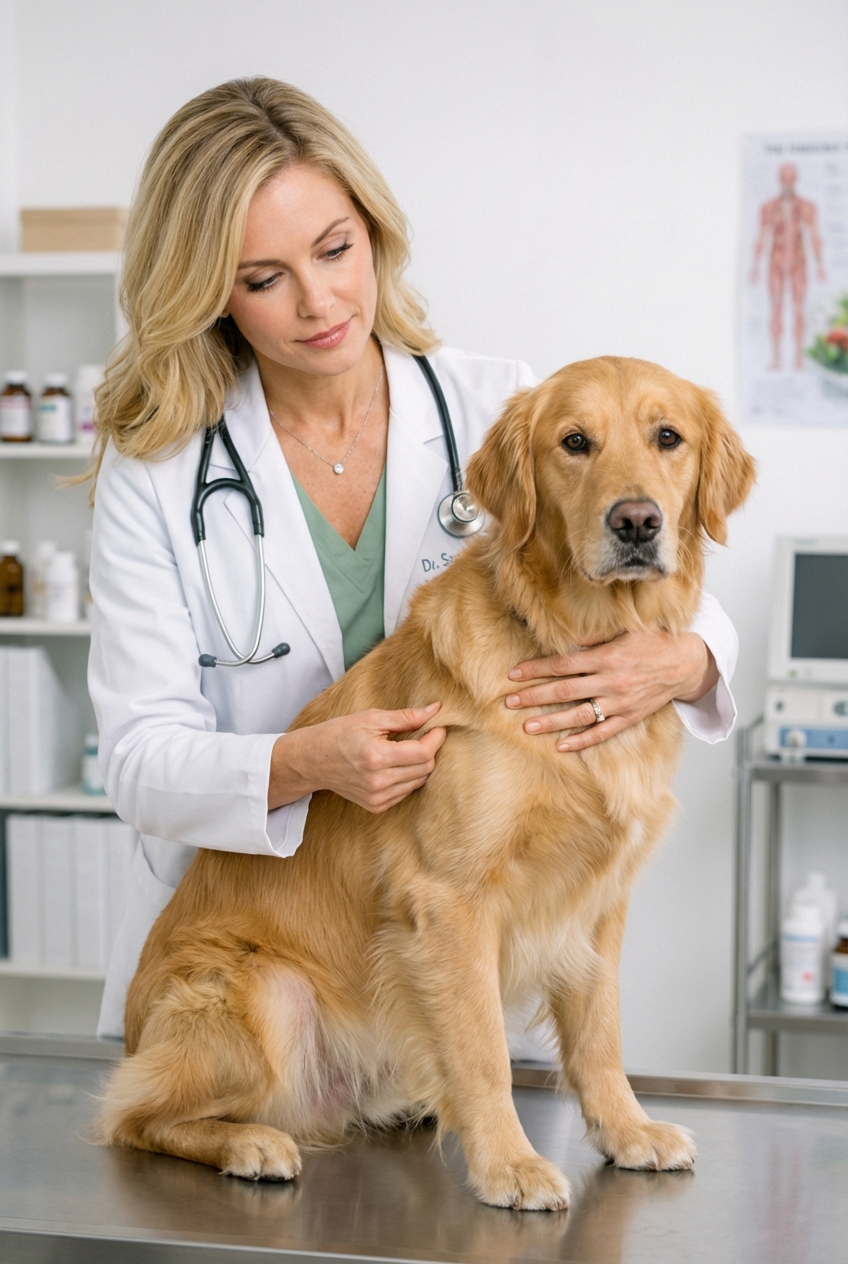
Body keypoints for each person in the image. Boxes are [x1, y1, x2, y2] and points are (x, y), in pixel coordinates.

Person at [89, 78, 738, 1042]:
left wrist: (693, 658)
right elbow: (138, 760)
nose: (319, 303)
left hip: (446, 986)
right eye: (263, 278)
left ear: (375, 233)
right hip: (278, 971)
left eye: (335, 249)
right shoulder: (158, 471)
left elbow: (647, 541)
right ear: (208, 292)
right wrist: (302, 762)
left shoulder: (505, 405)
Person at [750, 162, 825, 371]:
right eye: (785, 177)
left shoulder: (807, 207)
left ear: (796, 179)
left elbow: (814, 236)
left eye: (791, 177)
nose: (788, 182)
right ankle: (776, 357)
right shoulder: (768, 207)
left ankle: (798, 358)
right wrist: (755, 265)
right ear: (780, 179)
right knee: (775, 309)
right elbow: (762, 237)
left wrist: (820, 265)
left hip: (798, 262)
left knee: (798, 310)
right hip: (776, 261)